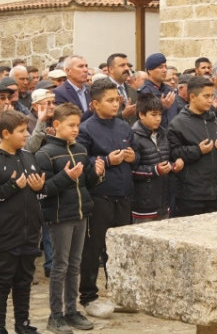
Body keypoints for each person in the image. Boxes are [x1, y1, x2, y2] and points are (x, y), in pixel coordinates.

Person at [0, 111, 45, 334]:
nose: (26, 135)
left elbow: (37, 192)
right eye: (22, 131)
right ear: (5, 133)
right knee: (1, 285)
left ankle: (22, 324)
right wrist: (11, 188)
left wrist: (40, 189)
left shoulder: (28, 156)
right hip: (3, 236)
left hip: (29, 234)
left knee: (24, 282)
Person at [35, 103, 105, 334]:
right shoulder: (45, 154)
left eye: (77, 125)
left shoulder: (81, 149)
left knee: (76, 265)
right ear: (56, 125)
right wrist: (66, 177)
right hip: (60, 216)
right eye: (71, 125)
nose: (76, 129)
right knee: (60, 266)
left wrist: (97, 172)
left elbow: (87, 183)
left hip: (81, 213)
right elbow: (43, 190)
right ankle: (55, 315)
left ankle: (72, 310)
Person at [75, 79, 137, 318]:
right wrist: (108, 161)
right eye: (109, 101)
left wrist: (132, 156)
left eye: (117, 100)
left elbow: (137, 156)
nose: (115, 104)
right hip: (99, 196)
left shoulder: (123, 126)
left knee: (120, 248)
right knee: (94, 248)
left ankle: (119, 293)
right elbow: (81, 161)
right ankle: (89, 297)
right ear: (95, 104)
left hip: (123, 194)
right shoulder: (86, 129)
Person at [167, 76, 217, 217]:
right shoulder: (178, 123)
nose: (210, 100)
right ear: (192, 97)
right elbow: (173, 153)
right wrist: (197, 150)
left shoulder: (214, 119)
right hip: (191, 195)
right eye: (206, 96)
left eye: (211, 95)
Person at [130, 94, 182, 223]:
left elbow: (165, 160)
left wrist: (173, 166)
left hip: (164, 201)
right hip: (143, 204)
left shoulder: (163, 134)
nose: (158, 119)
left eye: (160, 115)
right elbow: (131, 171)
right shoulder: (133, 136)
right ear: (141, 114)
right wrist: (155, 170)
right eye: (153, 115)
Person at [138, 53, 178, 128]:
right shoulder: (145, 92)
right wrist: (162, 107)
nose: (165, 70)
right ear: (149, 70)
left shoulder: (168, 89)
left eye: (165, 67)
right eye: (160, 67)